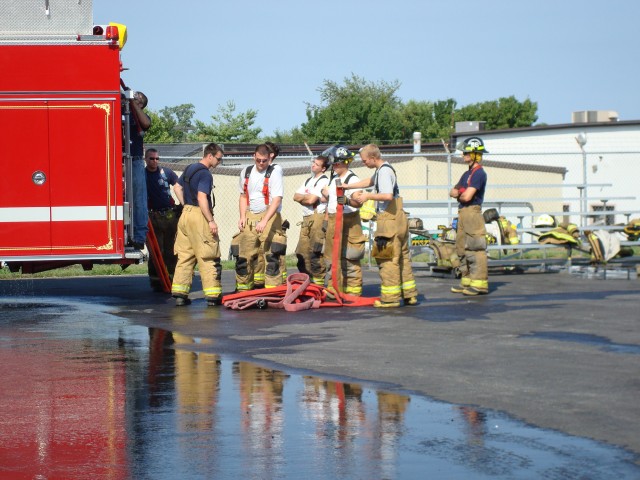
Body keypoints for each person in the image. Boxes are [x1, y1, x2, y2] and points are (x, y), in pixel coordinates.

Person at [347, 144, 418, 307]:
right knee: (402, 257)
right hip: (398, 219)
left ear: (373, 158)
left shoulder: (384, 172)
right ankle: (409, 294)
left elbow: (387, 195)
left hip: (389, 220)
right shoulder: (383, 170)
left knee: (387, 257)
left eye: (364, 160)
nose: (363, 163)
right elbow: (368, 181)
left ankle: (390, 298)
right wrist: (347, 186)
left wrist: (367, 197)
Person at [171, 143, 224, 306]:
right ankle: (213, 296)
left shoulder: (190, 168)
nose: (219, 162)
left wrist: (185, 204)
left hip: (185, 215)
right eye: (218, 159)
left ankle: (180, 294)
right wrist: (211, 220)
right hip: (198, 216)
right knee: (208, 254)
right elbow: (202, 198)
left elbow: (177, 187)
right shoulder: (205, 174)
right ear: (210, 156)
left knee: (185, 256)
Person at [235, 144, 286, 291]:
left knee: (272, 256)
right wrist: (242, 216)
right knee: (244, 256)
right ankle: (244, 290)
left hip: (268, 215)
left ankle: (273, 290)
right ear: (254, 157)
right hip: (250, 215)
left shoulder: (275, 172)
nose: (261, 163)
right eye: (258, 160)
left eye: (264, 160)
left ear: (269, 158)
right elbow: (243, 196)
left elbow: (276, 199)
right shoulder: (246, 172)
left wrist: (265, 221)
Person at [320, 145, 366, 296]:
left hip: (349, 222)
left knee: (350, 257)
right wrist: (326, 220)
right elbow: (330, 200)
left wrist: (346, 200)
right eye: (333, 163)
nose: (334, 166)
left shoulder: (352, 179)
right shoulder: (334, 179)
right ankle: (334, 289)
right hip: (334, 220)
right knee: (331, 257)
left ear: (345, 162)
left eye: (337, 163)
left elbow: (358, 202)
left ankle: (353, 292)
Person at [449, 137, 489, 295]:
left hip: (472, 212)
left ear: (475, 154)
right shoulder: (466, 174)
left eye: (466, 152)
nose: (463, 154)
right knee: (461, 248)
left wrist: (459, 193)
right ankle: (466, 280)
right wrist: (460, 193)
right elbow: (453, 191)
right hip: (463, 212)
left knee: (475, 248)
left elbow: (467, 197)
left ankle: (480, 284)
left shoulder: (479, 173)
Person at [145, 149, 181, 292]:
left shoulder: (166, 173)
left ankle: (172, 279)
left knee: (171, 250)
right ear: (146, 159)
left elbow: (179, 186)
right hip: (152, 217)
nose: (155, 161)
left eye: (157, 158)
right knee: (156, 251)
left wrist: (183, 203)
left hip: (170, 216)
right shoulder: (142, 174)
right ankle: (156, 282)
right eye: (151, 158)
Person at [293, 154, 330, 285]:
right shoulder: (308, 181)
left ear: (323, 169)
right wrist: (306, 199)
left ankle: (318, 283)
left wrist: (306, 198)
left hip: (317, 219)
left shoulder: (324, 181)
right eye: (313, 162)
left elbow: (311, 200)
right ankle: (307, 282)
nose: (313, 165)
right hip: (306, 220)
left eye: (317, 164)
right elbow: (295, 196)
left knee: (316, 252)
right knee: (302, 253)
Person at [129, 90, 151, 250]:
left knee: (139, 198)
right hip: (116, 160)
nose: (135, 96)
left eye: (138, 97)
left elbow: (146, 124)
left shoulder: (139, 117)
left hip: (135, 160)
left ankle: (139, 236)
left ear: (141, 104)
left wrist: (134, 105)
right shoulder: (121, 111)